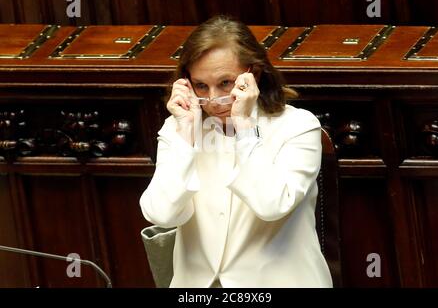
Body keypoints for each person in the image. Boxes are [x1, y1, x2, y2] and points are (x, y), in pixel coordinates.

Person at [139, 15, 332, 288]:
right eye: (201, 86)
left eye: (225, 83)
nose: (214, 101)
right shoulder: (179, 128)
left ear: (253, 74)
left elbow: (271, 205)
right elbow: (161, 214)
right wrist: (184, 138)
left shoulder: (298, 126)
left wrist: (244, 128)